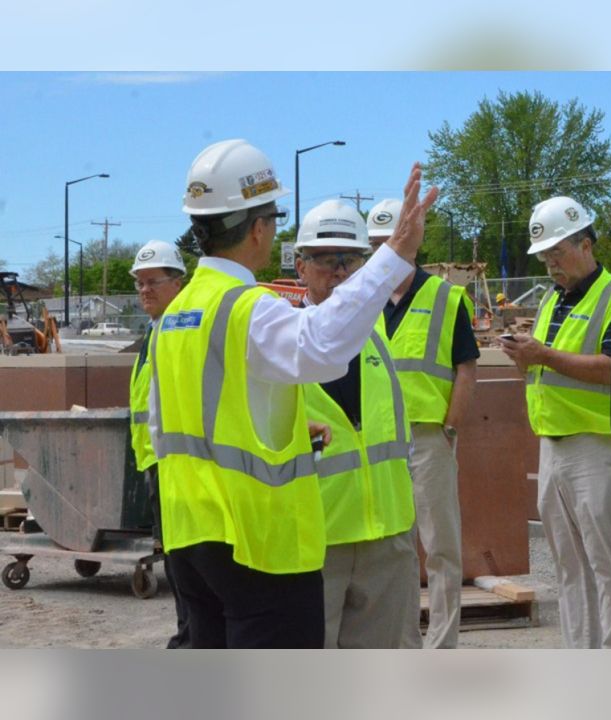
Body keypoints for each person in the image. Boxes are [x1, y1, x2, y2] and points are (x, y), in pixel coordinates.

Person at [149, 140, 434, 648]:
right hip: (257, 542)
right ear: (258, 228)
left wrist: (283, 429)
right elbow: (322, 347)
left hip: (191, 537)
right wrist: (394, 257)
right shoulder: (243, 307)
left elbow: (182, 420)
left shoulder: (177, 315)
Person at [499, 195, 611, 649]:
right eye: (544, 257)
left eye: (556, 253)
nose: (550, 265)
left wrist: (542, 355)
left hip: (596, 448)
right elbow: (548, 368)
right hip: (554, 447)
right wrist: (527, 359)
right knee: (569, 568)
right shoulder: (551, 301)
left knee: (608, 567)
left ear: (585, 243)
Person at [294, 199, 420, 648]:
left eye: (351, 261)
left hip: (387, 536)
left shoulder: (380, 332)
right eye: (327, 261)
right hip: (316, 540)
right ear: (300, 267)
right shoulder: (284, 339)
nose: (341, 272)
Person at [368, 197, 479, 650]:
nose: (383, 252)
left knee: (440, 547)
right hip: (377, 444)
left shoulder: (446, 298)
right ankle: (400, 643)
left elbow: (466, 368)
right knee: (389, 549)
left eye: (389, 241)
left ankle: (440, 646)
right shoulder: (364, 297)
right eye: (375, 244)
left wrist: (450, 428)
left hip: (428, 439)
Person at [128, 239, 189, 649]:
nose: (145, 290)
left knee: (188, 563)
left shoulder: (182, 329)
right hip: (158, 463)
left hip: (181, 464)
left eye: (154, 281)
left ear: (178, 282)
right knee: (177, 559)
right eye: (139, 283)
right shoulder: (154, 333)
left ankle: (192, 638)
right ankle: (190, 633)